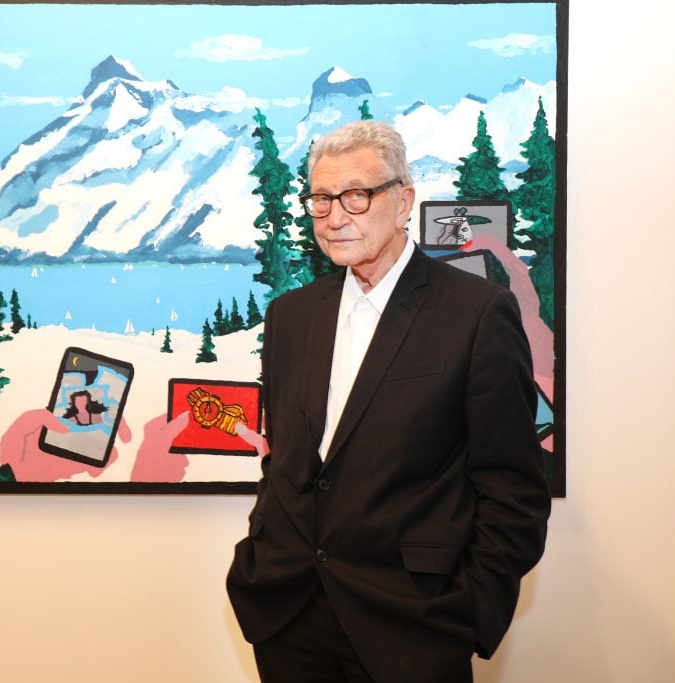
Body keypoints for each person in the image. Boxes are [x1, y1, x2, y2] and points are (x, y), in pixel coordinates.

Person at [226, 120, 551, 682]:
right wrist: (259, 553)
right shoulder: (291, 315)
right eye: (321, 199)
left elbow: (514, 489)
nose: (335, 215)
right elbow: (288, 461)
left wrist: (466, 610)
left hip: (413, 623)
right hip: (288, 614)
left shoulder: (476, 313)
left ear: (404, 202)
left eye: (356, 194)